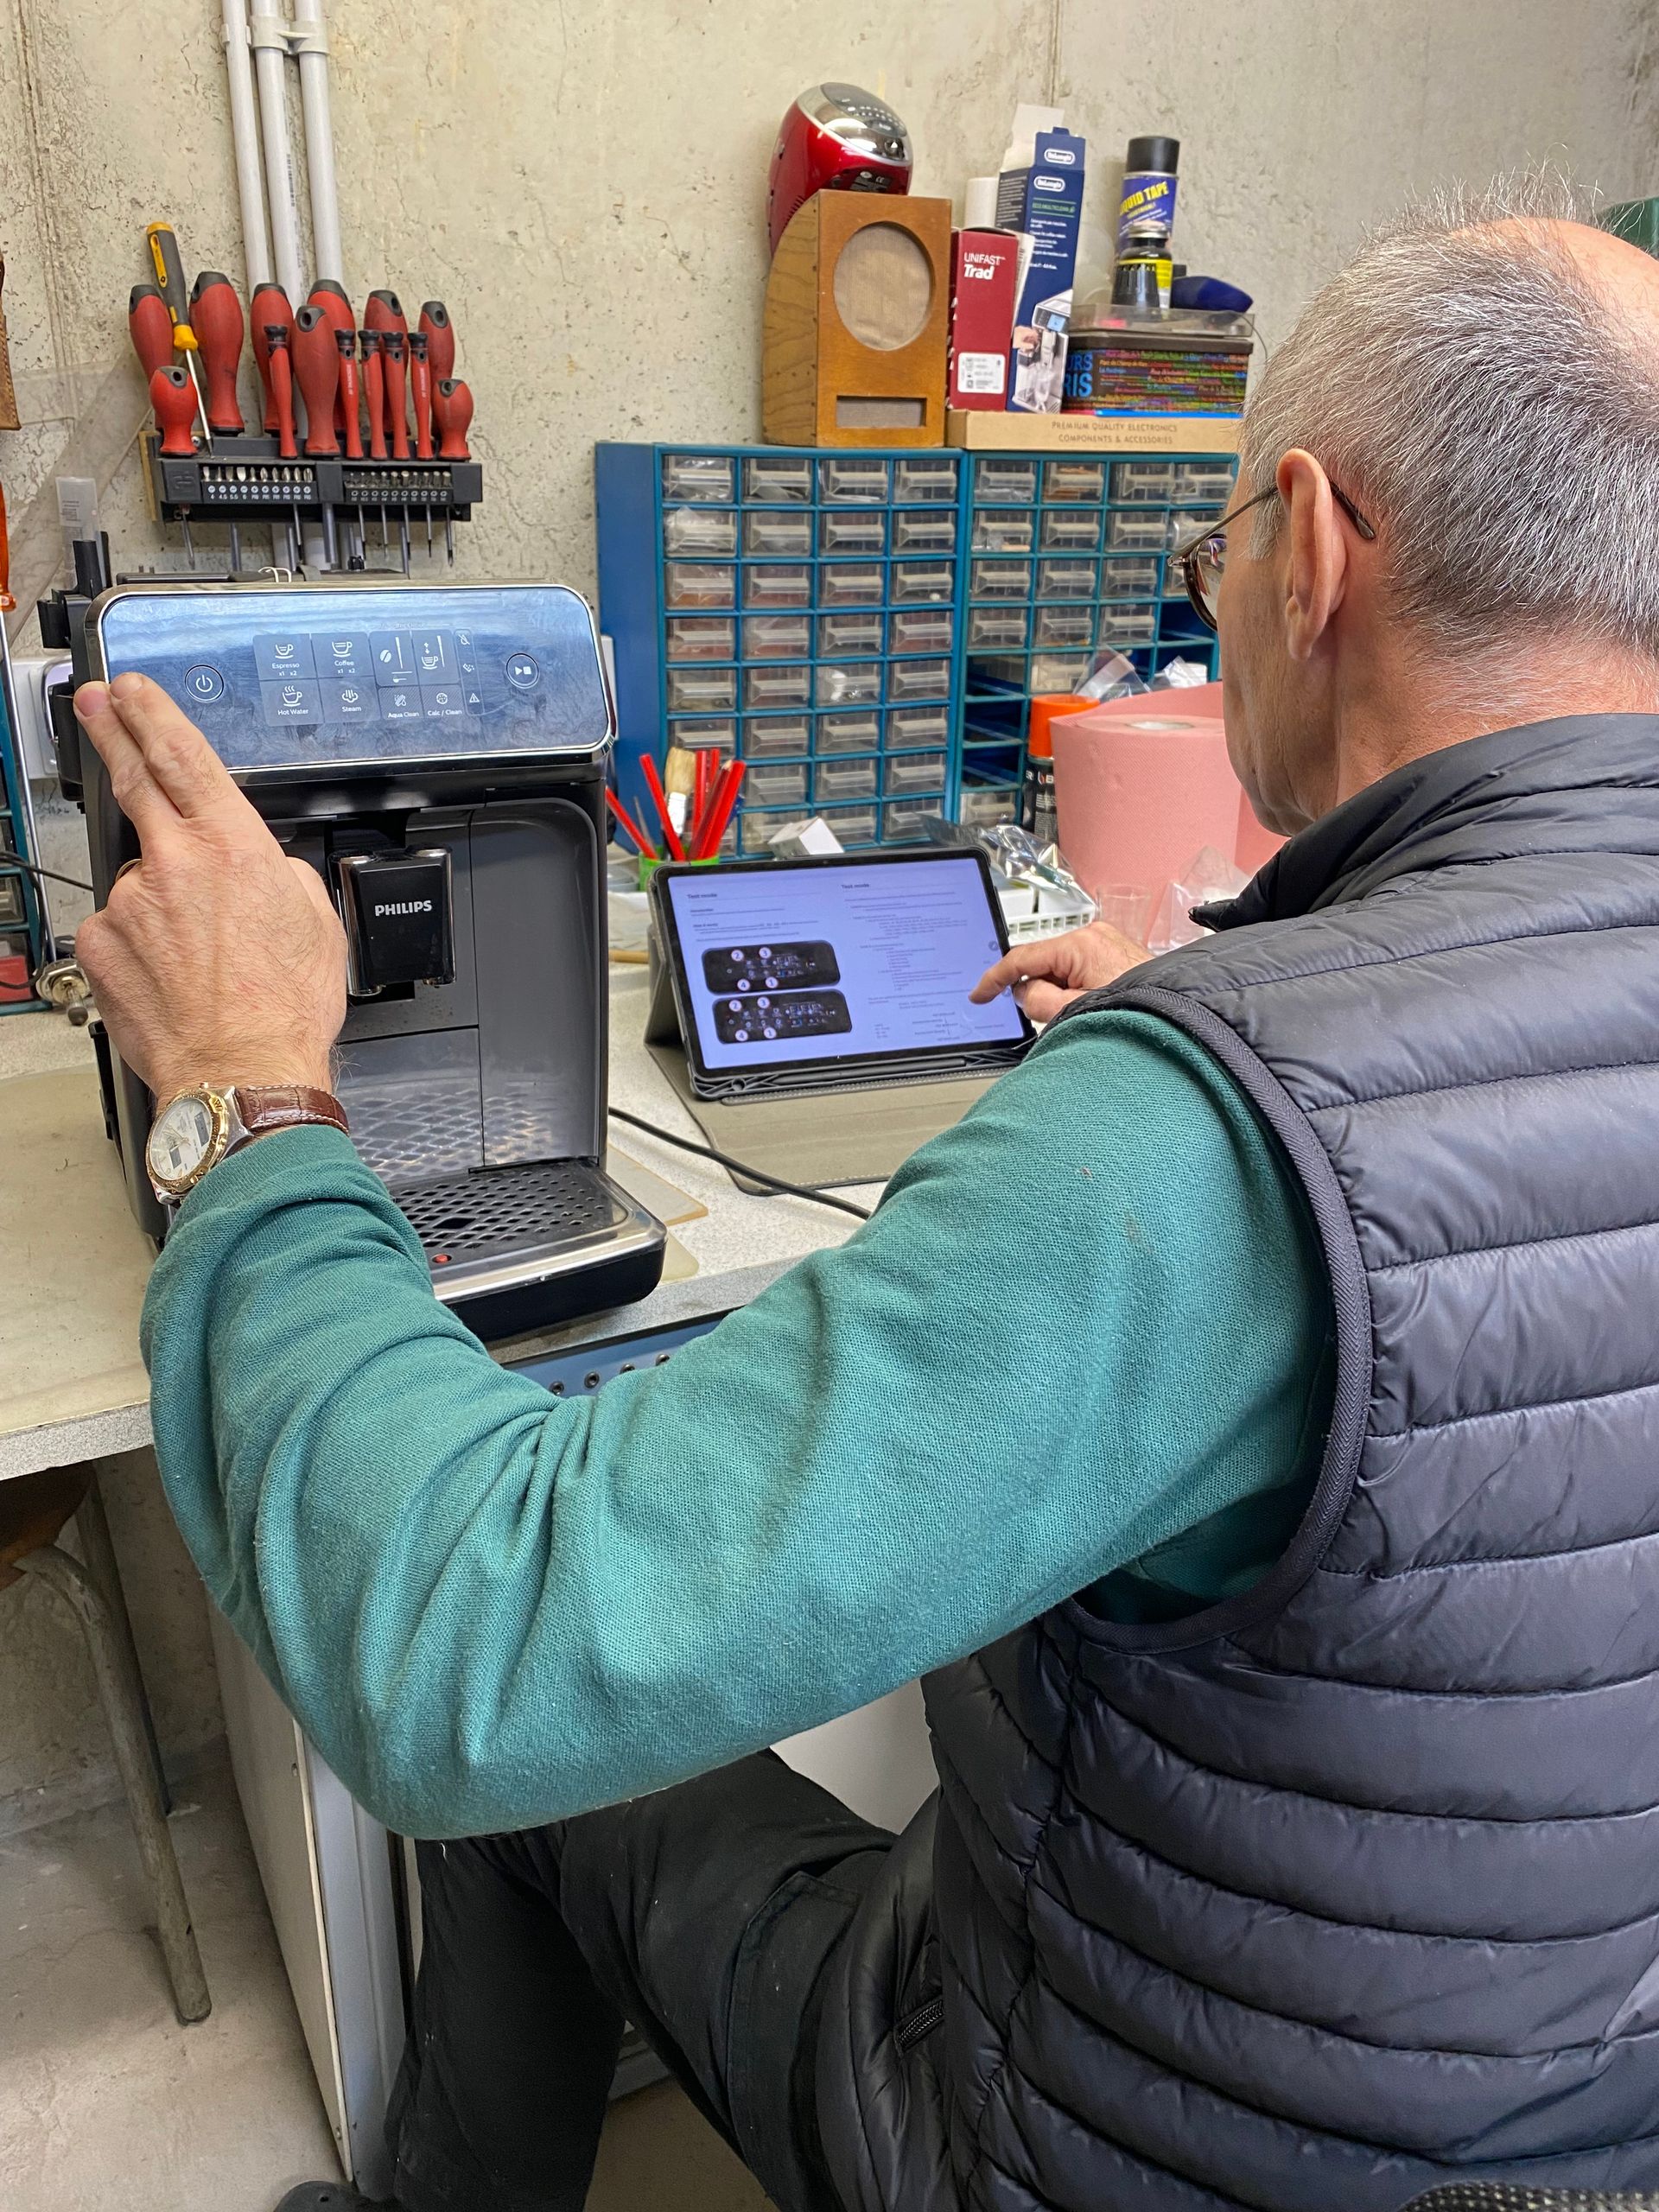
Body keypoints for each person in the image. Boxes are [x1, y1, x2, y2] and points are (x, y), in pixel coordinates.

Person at [73, 178, 1659, 2211]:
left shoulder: (1197, 1148)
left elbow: (460, 1638)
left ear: (1317, 551)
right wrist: (1264, 1021)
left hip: (1085, 2139)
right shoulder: (1255, 1094)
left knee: (523, 1788)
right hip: (1539, 2118)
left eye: (1223, 534)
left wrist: (244, 1095)